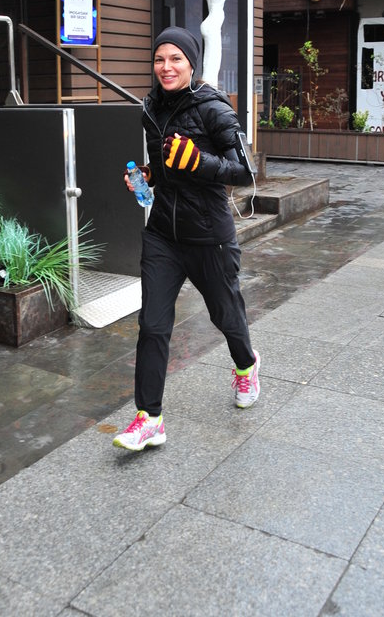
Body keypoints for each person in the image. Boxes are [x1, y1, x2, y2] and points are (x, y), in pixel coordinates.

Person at [113, 26, 260, 452]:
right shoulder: (151, 108)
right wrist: (147, 175)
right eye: (160, 59)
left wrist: (199, 162)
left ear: (191, 64)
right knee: (152, 325)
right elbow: (164, 166)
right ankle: (149, 419)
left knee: (226, 316)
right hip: (163, 235)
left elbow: (245, 172)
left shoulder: (213, 108)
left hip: (209, 236)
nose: (166, 67)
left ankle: (247, 366)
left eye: (176, 58)